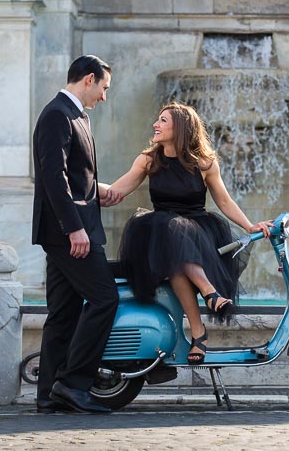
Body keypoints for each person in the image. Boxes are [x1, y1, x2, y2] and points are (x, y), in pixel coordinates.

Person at [107, 102, 272, 364]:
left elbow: (225, 202)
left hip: (198, 233)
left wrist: (250, 226)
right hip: (158, 234)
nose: (155, 125)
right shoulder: (148, 160)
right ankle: (210, 295)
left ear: (181, 128)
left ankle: (198, 332)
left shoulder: (205, 164)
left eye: (163, 121)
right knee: (170, 233)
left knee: (177, 260)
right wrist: (83, 188)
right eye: (157, 120)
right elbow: (115, 191)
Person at [32, 55, 120, 414]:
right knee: (105, 299)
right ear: (88, 79)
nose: (104, 97)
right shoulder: (57, 115)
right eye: (103, 88)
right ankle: (72, 383)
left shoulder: (74, 115)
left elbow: (73, 175)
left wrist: (99, 189)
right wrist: (75, 229)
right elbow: (53, 178)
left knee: (63, 313)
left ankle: (49, 394)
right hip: (69, 233)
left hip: (69, 229)